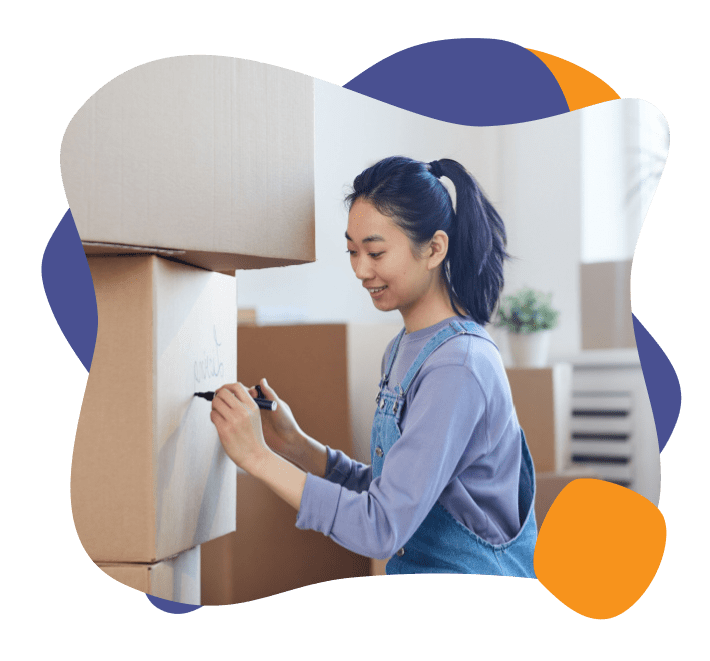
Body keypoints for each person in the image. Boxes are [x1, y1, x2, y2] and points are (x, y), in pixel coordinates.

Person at [210, 156, 537, 577]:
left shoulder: (459, 366)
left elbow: (381, 527)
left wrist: (257, 457)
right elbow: (395, 494)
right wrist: (296, 445)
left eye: (376, 252)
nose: (361, 270)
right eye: (352, 251)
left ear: (434, 248)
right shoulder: (402, 349)